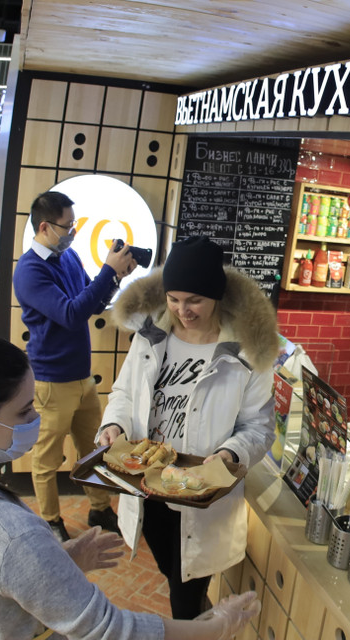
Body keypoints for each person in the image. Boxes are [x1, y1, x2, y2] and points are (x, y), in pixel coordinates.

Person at [0, 333, 261, 640]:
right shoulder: (10, 534)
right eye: (25, 411)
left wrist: (59, 562)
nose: (35, 419)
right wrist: (217, 626)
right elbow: (109, 629)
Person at [97, 235, 278, 619]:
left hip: (201, 491)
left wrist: (230, 454)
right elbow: (124, 393)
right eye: (173, 298)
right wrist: (113, 424)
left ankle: (194, 623)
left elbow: (259, 427)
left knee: (185, 589)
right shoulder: (150, 337)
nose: (183, 310)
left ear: (217, 295)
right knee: (171, 571)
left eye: (194, 300)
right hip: (149, 486)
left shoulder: (247, 351)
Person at [12, 190, 137, 541]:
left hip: (83, 378)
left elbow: (93, 305)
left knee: (93, 450)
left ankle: (99, 508)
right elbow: (70, 314)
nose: (73, 233)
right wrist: (107, 271)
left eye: (74, 225)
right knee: (47, 461)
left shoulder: (67, 257)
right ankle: (52, 521)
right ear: (44, 226)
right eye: (68, 227)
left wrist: (115, 277)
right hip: (51, 381)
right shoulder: (29, 271)